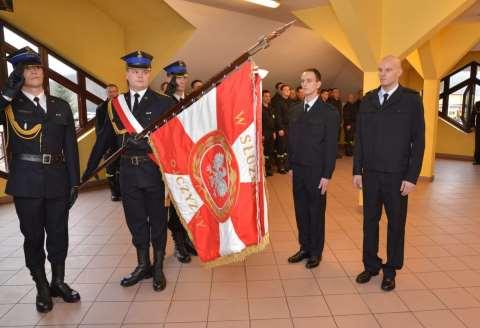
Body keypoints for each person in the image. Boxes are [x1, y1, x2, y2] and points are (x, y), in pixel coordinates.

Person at [82, 50, 175, 292]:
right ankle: (142, 264)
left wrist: (145, 144)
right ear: (127, 75)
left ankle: (157, 268)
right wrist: (87, 172)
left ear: (149, 74)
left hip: (154, 170)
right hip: (128, 173)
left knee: (157, 220)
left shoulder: (164, 102)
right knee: (135, 220)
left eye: (144, 72)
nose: (140, 76)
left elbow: (175, 139)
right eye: (135, 72)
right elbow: (102, 140)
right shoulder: (115, 105)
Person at [0, 47, 80, 312]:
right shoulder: (11, 105)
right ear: (18, 75)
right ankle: (41, 286)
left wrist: (74, 181)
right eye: (28, 68)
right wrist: (7, 94)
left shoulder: (60, 105)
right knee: (33, 236)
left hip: (57, 179)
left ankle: (58, 281)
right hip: (26, 181)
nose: (35, 71)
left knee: (59, 234)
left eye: (38, 67)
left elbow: (70, 147)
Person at [353, 55, 425, 291]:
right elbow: (360, 139)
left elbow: (419, 141)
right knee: (369, 222)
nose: (382, 73)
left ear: (399, 72)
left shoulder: (411, 100)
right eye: (380, 70)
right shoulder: (369, 100)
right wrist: (357, 170)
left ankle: (391, 270)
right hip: (371, 173)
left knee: (396, 224)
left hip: (397, 176)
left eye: (388, 69)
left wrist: (412, 176)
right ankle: (370, 265)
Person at [287, 68, 339, 269]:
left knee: (315, 212)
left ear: (318, 84)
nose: (305, 84)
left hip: (317, 171)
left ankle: (316, 252)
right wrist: (290, 165)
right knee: (300, 210)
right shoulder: (295, 110)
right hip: (298, 169)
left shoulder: (329, 113)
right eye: (302, 81)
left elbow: (330, 146)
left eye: (309, 80)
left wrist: (327, 174)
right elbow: (291, 141)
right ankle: (304, 247)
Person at [163, 60, 198, 263]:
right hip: (172, 163)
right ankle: (178, 243)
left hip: (190, 159)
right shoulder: (163, 103)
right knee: (175, 206)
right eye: (178, 77)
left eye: (184, 76)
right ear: (169, 78)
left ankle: (186, 240)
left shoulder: (191, 100)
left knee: (188, 203)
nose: (183, 80)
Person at [95, 83, 121, 201]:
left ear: (118, 92)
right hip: (109, 145)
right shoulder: (101, 108)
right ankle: (114, 192)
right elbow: (99, 129)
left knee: (122, 169)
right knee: (110, 170)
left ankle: (123, 191)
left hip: (122, 143)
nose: (113, 94)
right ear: (107, 93)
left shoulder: (123, 106)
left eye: (115, 91)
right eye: (110, 92)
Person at [272, 84, 290, 173]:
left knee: (287, 147)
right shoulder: (279, 102)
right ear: (282, 91)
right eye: (286, 90)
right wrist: (280, 128)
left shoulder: (289, 102)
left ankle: (286, 165)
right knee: (281, 148)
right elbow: (278, 116)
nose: (288, 91)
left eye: (289, 90)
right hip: (282, 128)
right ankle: (280, 167)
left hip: (289, 128)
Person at [262, 89, 276, 176]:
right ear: (262, 97)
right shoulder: (259, 108)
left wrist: (274, 131)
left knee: (270, 152)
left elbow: (273, 120)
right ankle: (264, 170)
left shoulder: (271, 108)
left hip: (271, 133)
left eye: (269, 96)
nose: (268, 98)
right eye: (266, 96)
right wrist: (262, 134)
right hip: (264, 133)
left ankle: (269, 168)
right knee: (264, 152)